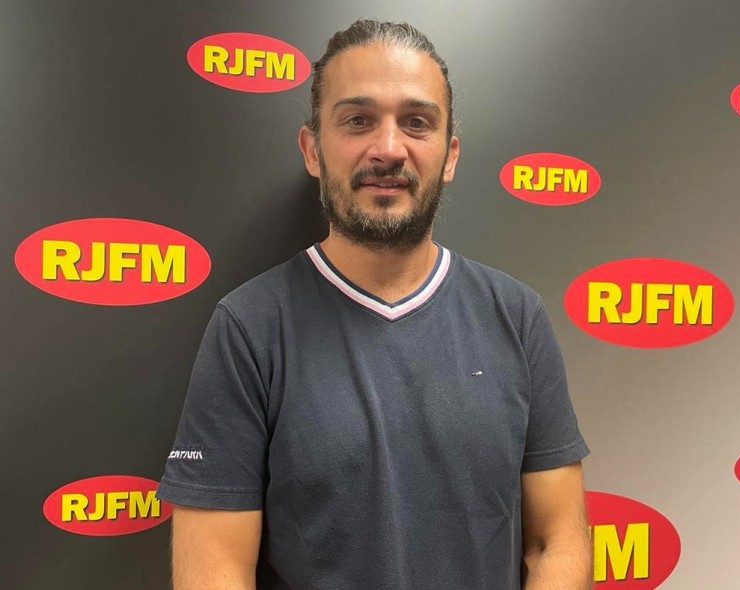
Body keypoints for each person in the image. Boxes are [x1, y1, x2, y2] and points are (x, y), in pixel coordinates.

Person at [157, 19, 592, 590]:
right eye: (358, 120)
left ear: (449, 156)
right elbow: (215, 569)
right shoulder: (249, 329)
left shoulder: (517, 317)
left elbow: (557, 542)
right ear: (313, 149)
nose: (388, 149)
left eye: (416, 122)